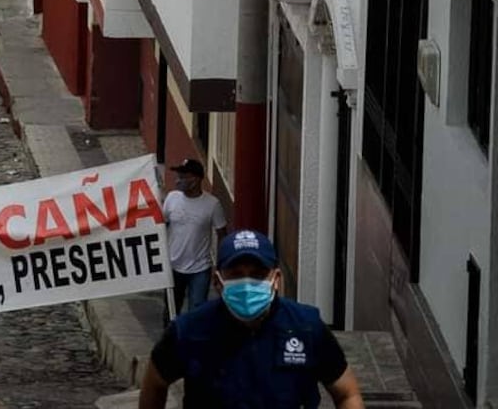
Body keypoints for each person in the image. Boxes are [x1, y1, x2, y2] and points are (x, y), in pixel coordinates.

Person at [138, 230, 366, 409]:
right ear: (218, 282)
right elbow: (155, 383)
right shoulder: (189, 330)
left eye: (257, 274)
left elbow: (347, 393)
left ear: (275, 279)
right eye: (236, 274)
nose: (247, 283)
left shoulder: (306, 326)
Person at [163, 159, 228, 314]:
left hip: (200, 269)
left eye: (184, 176)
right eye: (179, 175)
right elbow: (162, 225)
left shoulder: (212, 204)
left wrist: (220, 266)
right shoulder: (172, 198)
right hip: (173, 266)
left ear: (196, 179)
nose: (179, 180)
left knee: (197, 312)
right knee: (171, 311)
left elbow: (222, 234)